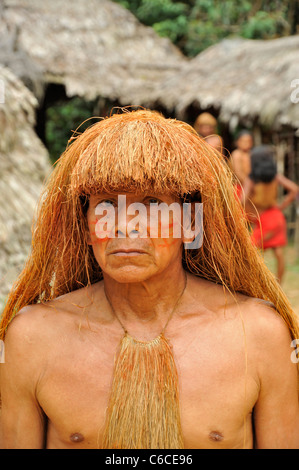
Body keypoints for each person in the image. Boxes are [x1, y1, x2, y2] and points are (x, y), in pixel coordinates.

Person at [0, 110, 299, 449]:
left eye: (152, 203)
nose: (126, 224)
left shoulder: (260, 337)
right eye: (106, 204)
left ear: (190, 224)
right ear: (85, 227)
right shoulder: (31, 339)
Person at [243, 145, 299, 284]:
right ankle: (278, 285)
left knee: (249, 251)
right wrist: (281, 206)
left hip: (264, 218)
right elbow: (294, 189)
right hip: (276, 216)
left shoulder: (252, 179)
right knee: (279, 253)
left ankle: (254, 282)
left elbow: (242, 199)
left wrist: (250, 213)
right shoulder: (275, 176)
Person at [229, 130, 254, 198]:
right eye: (243, 141)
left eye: (249, 141)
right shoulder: (237, 154)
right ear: (238, 142)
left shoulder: (252, 154)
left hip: (249, 187)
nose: (246, 143)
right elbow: (239, 173)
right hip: (239, 187)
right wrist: (249, 185)